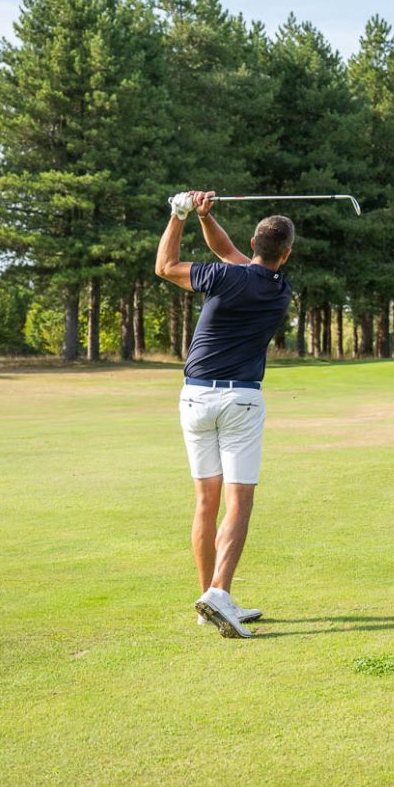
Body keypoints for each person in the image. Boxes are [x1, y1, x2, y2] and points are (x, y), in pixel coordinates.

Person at [154, 190, 295, 638]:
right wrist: (202, 217)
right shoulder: (278, 288)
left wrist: (178, 216)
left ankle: (211, 600)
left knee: (205, 502)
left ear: (254, 243)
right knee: (239, 502)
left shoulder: (225, 277)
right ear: (285, 254)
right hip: (240, 402)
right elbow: (225, 250)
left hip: (194, 399)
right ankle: (217, 594)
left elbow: (165, 267)